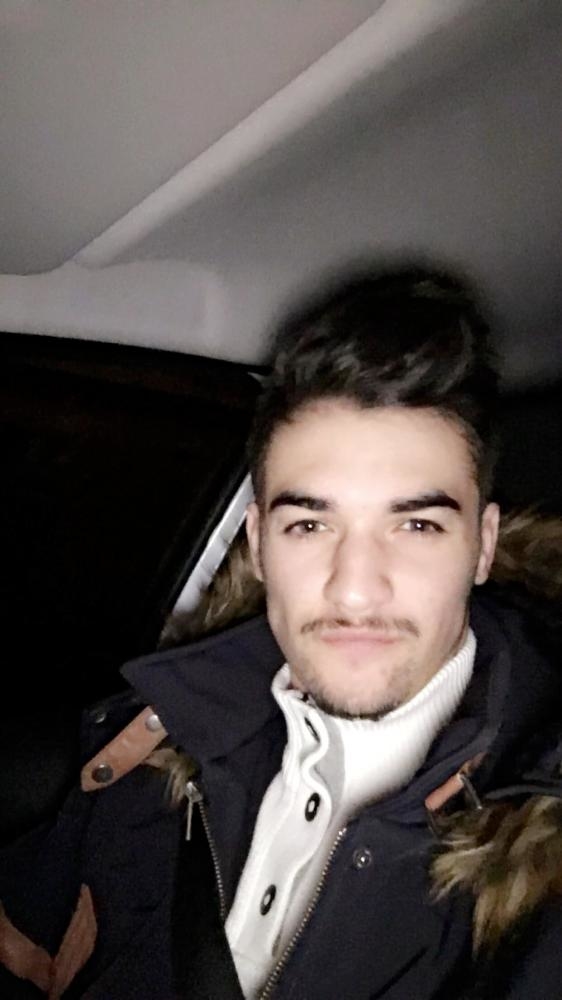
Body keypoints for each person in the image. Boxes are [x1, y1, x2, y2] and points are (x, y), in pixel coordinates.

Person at [1, 265, 561, 1000]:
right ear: (259, 543)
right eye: (310, 525)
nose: (355, 586)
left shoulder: (540, 863)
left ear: (482, 546)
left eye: (417, 525)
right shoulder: (151, 739)